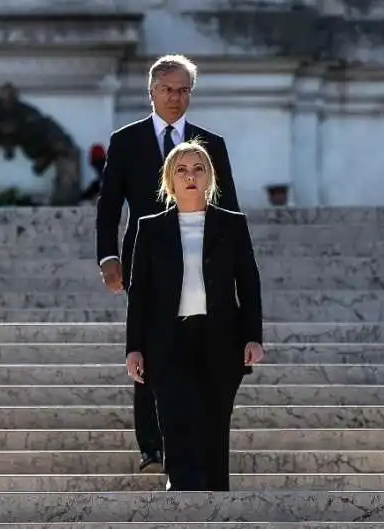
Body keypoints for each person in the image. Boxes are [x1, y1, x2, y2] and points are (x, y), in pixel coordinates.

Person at [95, 54, 240, 473]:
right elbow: (109, 206)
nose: (176, 98)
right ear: (152, 91)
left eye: (183, 90)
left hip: (201, 264)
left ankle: (192, 436)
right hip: (147, 262)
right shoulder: (126, 141)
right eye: (168, 89)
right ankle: (151, 445)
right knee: (149, 345)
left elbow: (228, 208)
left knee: (196, 349)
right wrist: (109, 256)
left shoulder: (211, 144)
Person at [124, 140, 263, 491]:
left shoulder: (231, 225)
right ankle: (183, 490)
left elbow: (248, 283)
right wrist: (133, 347)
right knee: (175, 419)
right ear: (169, 180)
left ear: (209, 178)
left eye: (198, 169)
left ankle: (216, 498)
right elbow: (139, 293)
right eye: (181, 170)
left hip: (220, 338)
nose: (190, 177)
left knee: (215, 422)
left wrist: (253, 336)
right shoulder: (151, 228)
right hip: (167, 340)